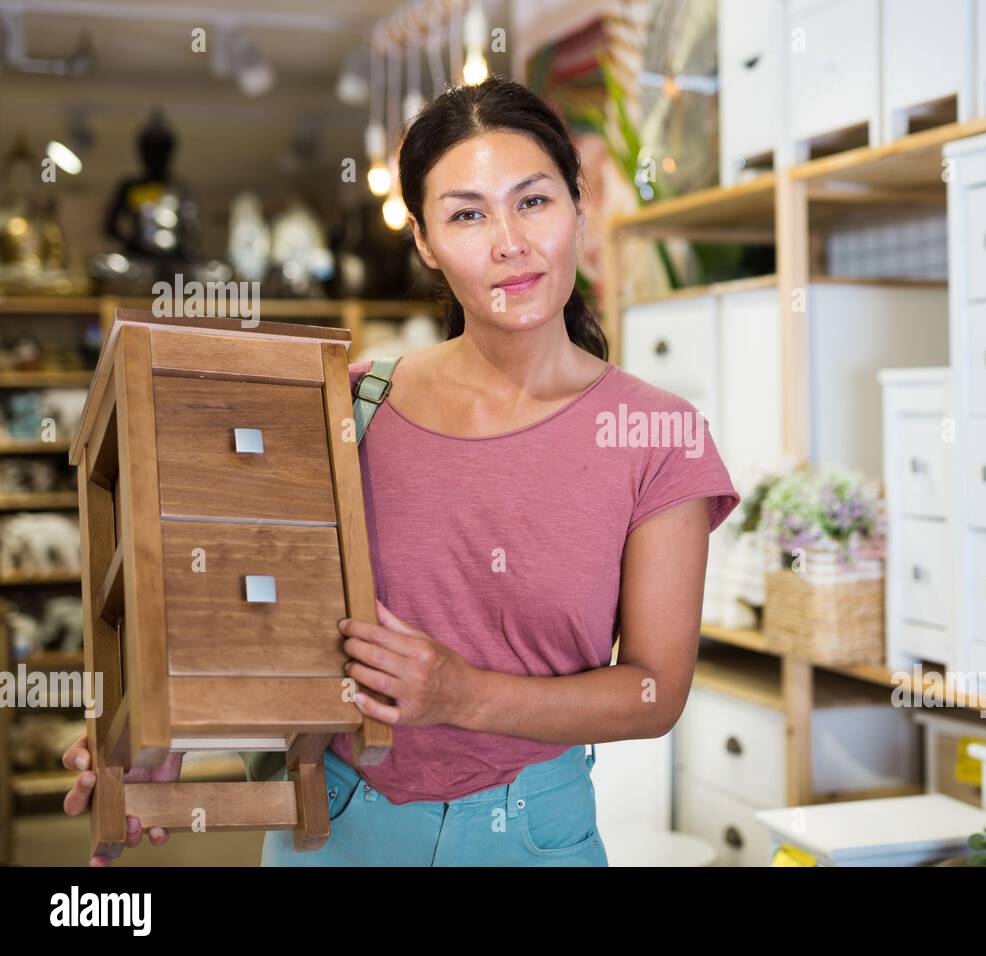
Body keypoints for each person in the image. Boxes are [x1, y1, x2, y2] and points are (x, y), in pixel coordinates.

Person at [62, 73, 740, 866]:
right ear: (422, 240)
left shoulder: (656, 435)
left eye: (533, 201)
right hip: (337, 825)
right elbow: (257, 609)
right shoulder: (348, 407)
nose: (508, 243)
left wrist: (464, 694)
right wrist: (168, 731)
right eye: (466, 215)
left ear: (578, 207)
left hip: (531, 836)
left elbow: (655, 692)